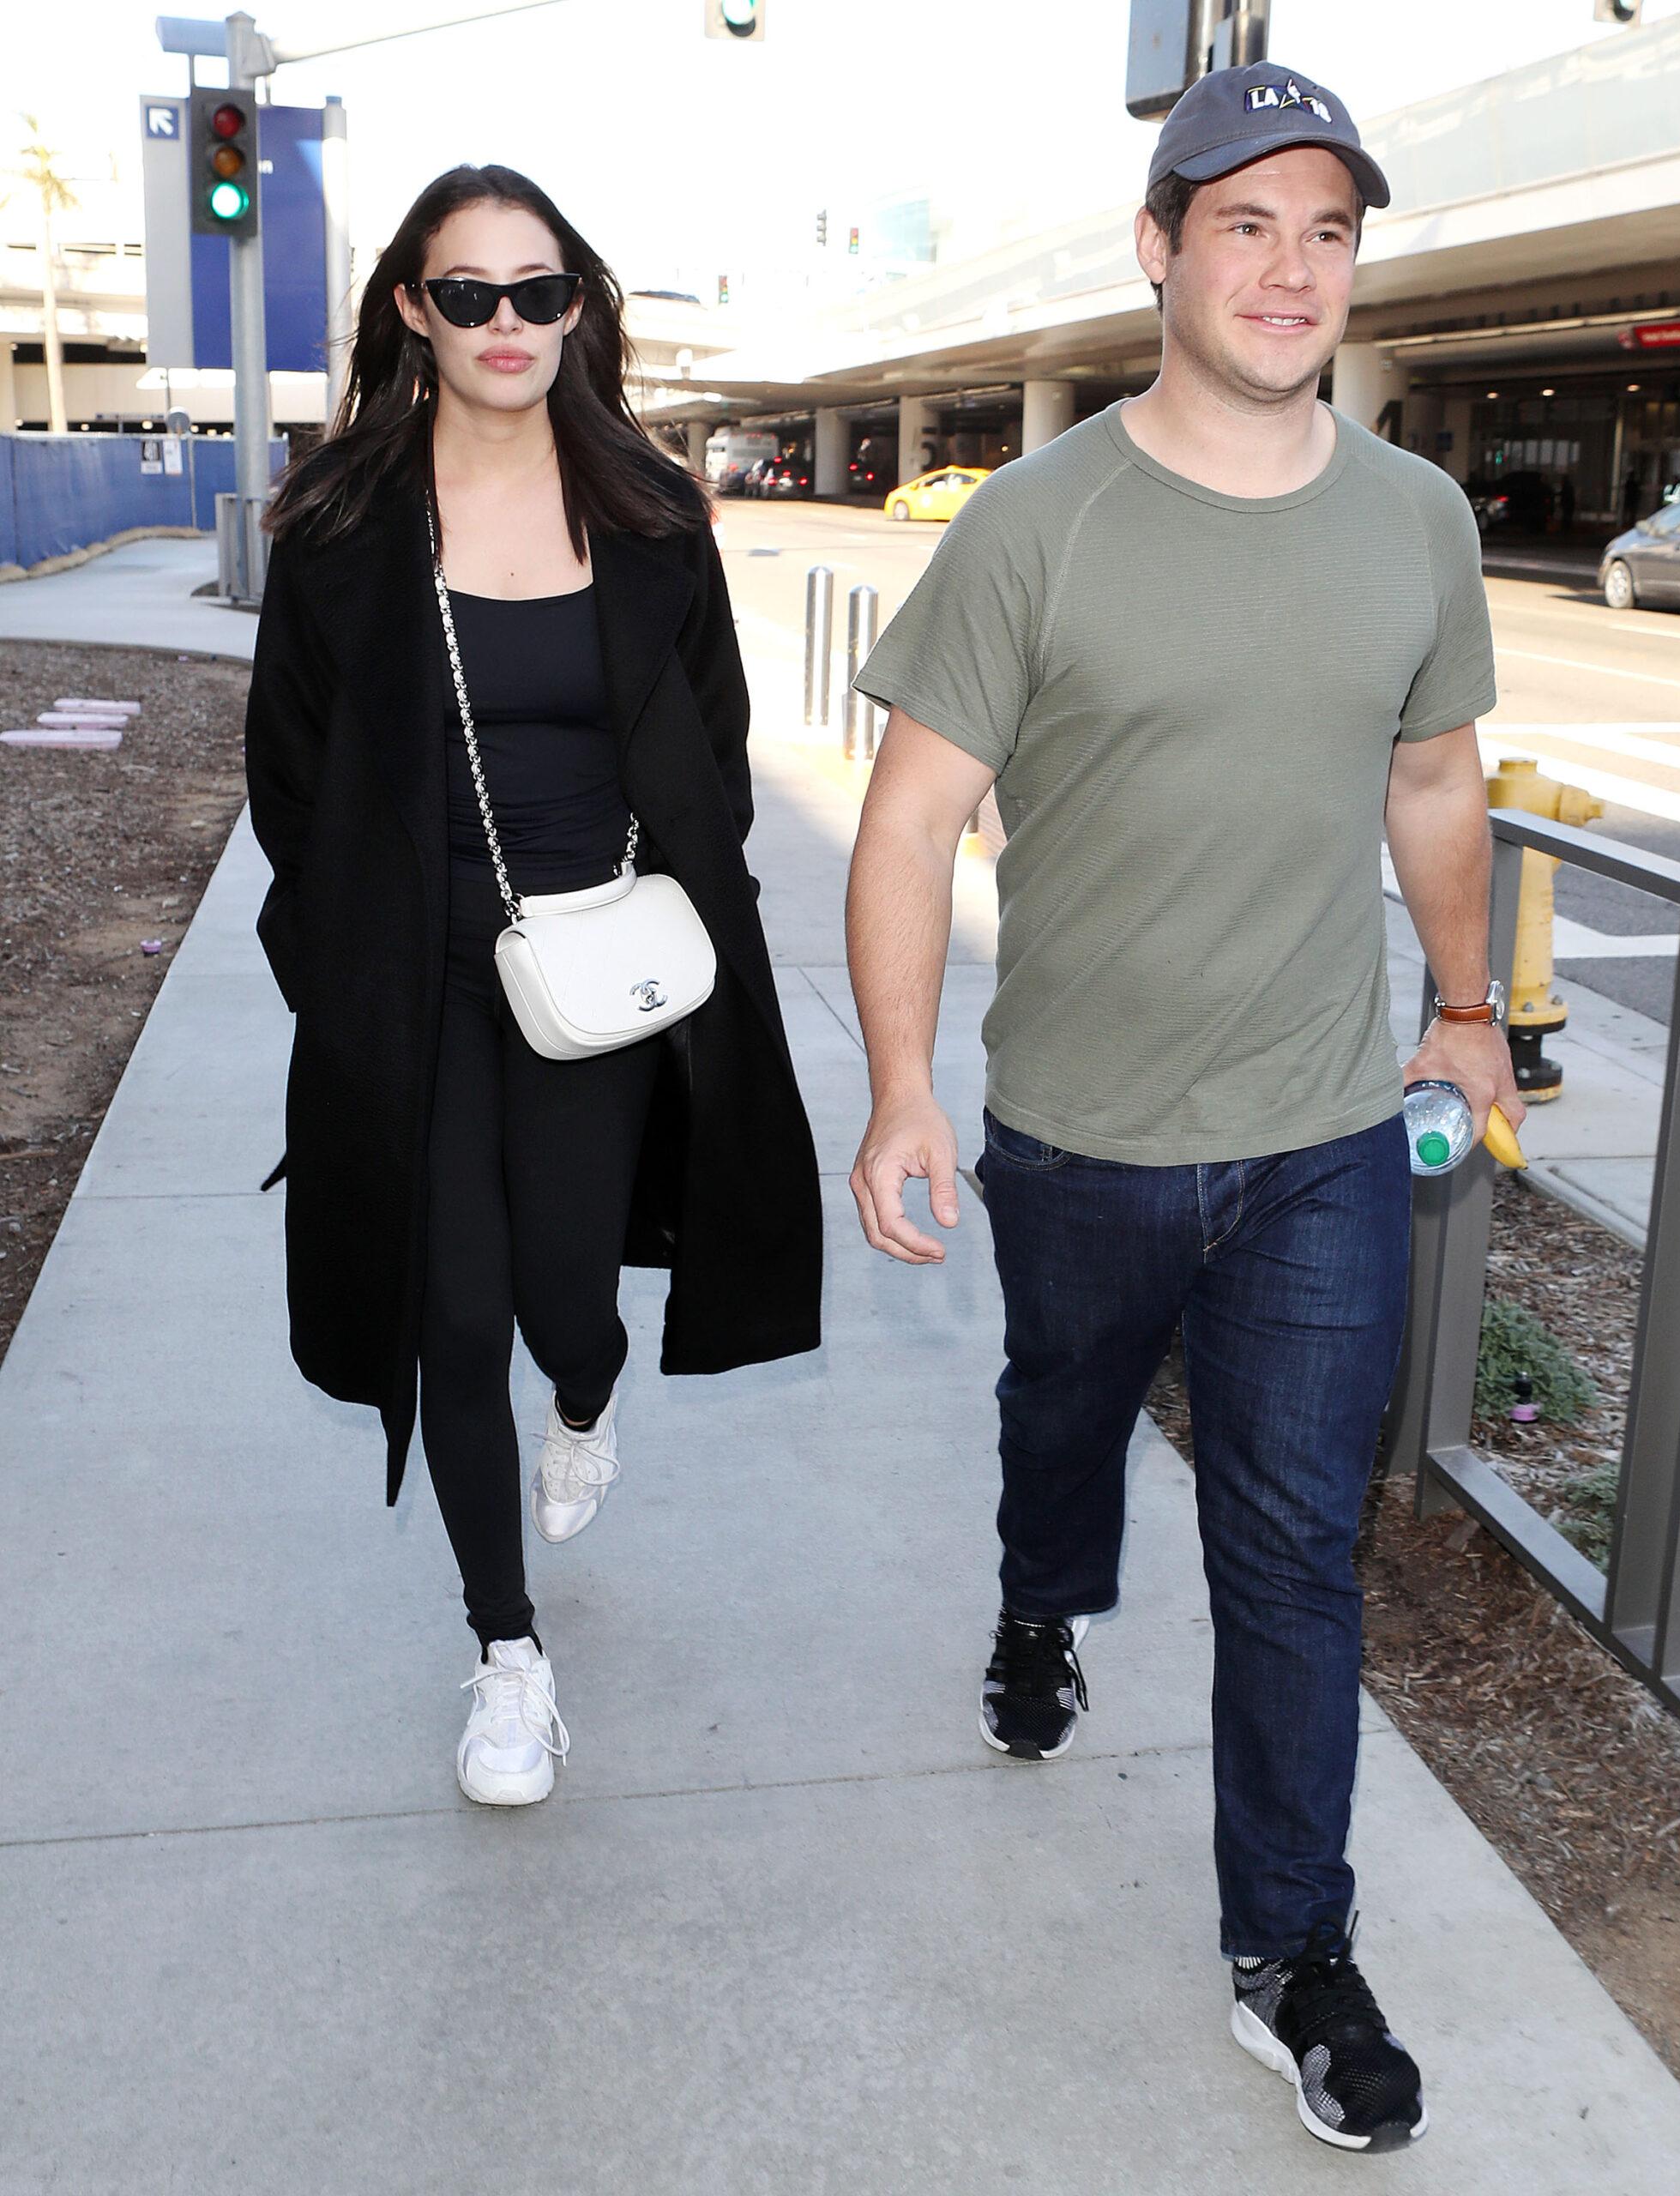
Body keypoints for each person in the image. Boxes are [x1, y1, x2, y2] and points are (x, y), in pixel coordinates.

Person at [846, 63, 1520, 2153]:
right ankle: (1040, 1599)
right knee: (1063, 1429)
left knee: (1297, 1553)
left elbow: (1433, 782)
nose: (1291, 266)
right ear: (1161, 249)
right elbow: (908, 823)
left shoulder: (1418, 515)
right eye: (1245, 223)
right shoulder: (1038, 525)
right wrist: (894, 1089)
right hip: (1079, 1137)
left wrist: (1471, 1005)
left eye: (1328, 228)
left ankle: (1292, 1952)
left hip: (1323, 1132)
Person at [246, 165, 822, 1808]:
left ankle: (589, 1397)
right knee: (454, 1312)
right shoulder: (344, 528)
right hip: (411, 982)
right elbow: (288, 775)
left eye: (539, 290)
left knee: (569, 1297)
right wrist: (335, 962)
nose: (509, 323)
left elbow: (709, 749)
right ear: (414, 314)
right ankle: (506, 1652)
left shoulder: (649, 514)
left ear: (579, 308)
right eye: (470, 292)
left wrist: (682, 926)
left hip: (595, 974)